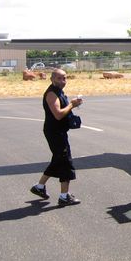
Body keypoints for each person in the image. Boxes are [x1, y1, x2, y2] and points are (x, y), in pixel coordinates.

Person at [30, 68, 83, 206]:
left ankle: (39, 187)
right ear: (52, 79)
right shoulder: (51, 94)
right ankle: (64, 196)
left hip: (58, 131)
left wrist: (72, 104)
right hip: (55, 133)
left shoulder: (59, 92)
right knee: (66, 162)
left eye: (64, 78)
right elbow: (58, 114)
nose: (62, 81)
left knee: (58, 160)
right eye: (59, 78)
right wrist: (72, 104)